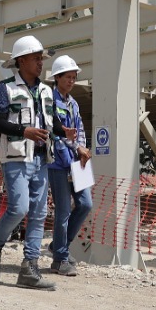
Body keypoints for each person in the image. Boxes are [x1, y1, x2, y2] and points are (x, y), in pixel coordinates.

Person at [0, 34, 64, 290]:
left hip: (41, 158)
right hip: (16, 157)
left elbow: (52, 122)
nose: (41, 63)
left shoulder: (46, 91)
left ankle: (29, 268)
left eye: (41, 59)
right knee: (19, 208)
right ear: (21, 60)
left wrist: (65, 133)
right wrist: (24, 131)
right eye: (36, 58)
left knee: (39, 214)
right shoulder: (4, 88)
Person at [46, 54, 92, 276]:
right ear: (57, 77)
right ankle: (60, 259)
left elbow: (79, 129)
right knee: (63, 211)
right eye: (68, 77)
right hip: (58, 163)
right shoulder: (50, 100)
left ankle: (58, 245)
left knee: (86, 204)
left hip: (76, 160)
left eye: (74, 77)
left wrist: (82, 147)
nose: (72, 81)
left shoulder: (73, 103)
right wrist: (77, 148)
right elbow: (55, 131)